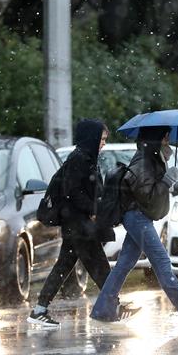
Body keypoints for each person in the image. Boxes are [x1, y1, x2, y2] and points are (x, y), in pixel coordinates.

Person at [90, 126, 178, 327]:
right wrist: (166, 181)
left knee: (125, 263)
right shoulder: (143, 160)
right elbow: (146, 195)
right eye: (165, 136)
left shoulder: (151, 157)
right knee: (161, 260)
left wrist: (165, 177)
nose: (168, 140)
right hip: (137, 217)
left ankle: (102, 310)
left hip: (139, 216)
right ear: (158, 137)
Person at [28, 119, 115, 328]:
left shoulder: (86, 158)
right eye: (101, 139)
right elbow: (72, 193)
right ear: (91, 137)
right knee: (100, 267)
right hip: (79, 225)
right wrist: (93, 210)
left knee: (64, 266)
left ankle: (39, 310)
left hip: (78, 225)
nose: (103, 143)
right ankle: (114, 306)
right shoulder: (80, 159)